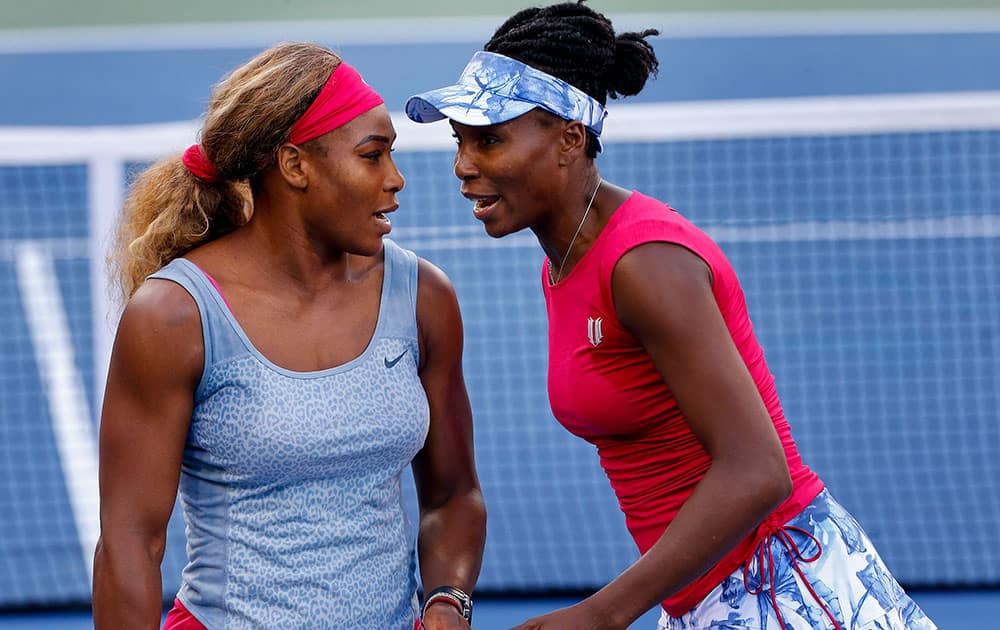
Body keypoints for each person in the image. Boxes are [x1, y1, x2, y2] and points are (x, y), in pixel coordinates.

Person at [404, 3, 936, 629]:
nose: (463, 164)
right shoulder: (566, 259)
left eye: (489, 138)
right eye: (459, 140)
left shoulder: (643, 263)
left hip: (782, 586)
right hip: (708, 593)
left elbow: (758, 468)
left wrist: (602, 614)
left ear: (570, 140)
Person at [92, 42, 486, 630]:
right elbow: (130, 544)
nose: (395, 180)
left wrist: (447, 604)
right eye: (373, 156)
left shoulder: (422, 296)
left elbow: (454, 495)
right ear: (295, 165)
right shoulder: (174, 316)